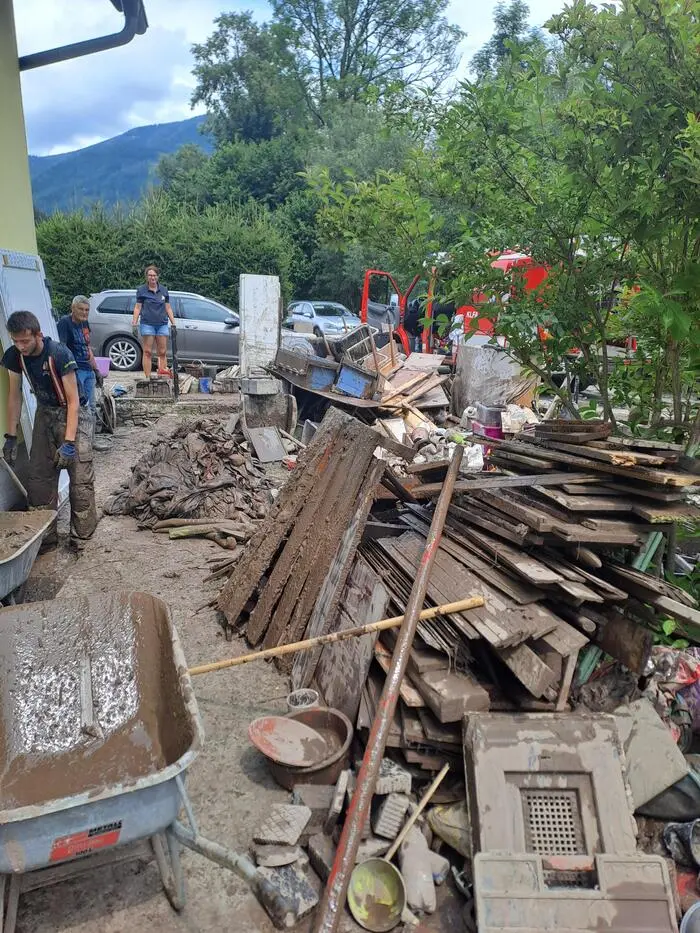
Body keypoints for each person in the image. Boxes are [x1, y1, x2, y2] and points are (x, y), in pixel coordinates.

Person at [1, 310, 97, 548]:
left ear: (38, 335)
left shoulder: (59, 354)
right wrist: (11, 436)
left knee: (80, 481)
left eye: (25, 341)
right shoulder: (15, 356)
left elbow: (73, 401)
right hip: (44, 414)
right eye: (16, 341)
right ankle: (45, 539)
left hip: (74, 414)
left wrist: (68, 442)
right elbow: (15, 396)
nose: (20, 346)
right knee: (39, 480)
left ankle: (82, 537)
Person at [57, 294, 104, 417]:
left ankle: (89, 436)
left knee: (91, 407)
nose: (84, 312)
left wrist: (96, 369)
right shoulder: (65, 323)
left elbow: (87, 347)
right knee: (79, 406)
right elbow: (62, 349)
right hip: (75, 370)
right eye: (81, 309)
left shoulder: (85, 323)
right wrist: (72, 373)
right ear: (73, 308)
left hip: (88, 369)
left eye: (87, 310)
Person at [131, 264, 177, 378]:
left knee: (162, 352)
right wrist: (134, 322)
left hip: (162, 324)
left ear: (158, 276)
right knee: (147, 352)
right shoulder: (141, 290)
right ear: (147, 276)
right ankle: (147, 377)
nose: (152, 277)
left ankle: (162, 375)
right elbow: (138, 307)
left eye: (154, 275)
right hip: (147, 324)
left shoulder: (164, 290)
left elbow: (168, 307)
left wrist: (173, 323)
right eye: (150, 275)